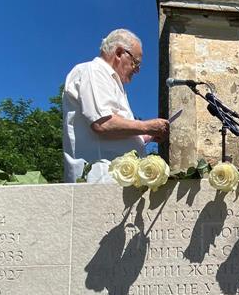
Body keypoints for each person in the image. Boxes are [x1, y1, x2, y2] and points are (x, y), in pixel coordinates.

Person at [63, 29, 169, 183]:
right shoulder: (94, 71)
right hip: (99, 181)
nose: (137, 70)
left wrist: (147, 136)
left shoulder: (112, 81)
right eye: (136, 63)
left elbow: (114, 130)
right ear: (119, 53)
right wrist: (146, 126)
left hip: (111, 182)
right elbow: (103, 123)